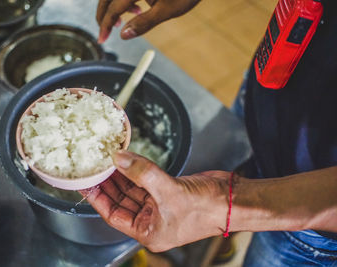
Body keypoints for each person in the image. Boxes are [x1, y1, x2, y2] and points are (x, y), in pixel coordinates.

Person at [81, 0, 337, 265]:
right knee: (236, 160)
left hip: (313, 215)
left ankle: (216, 243)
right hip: (279, 78)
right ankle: (218, 243)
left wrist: (227, 206)